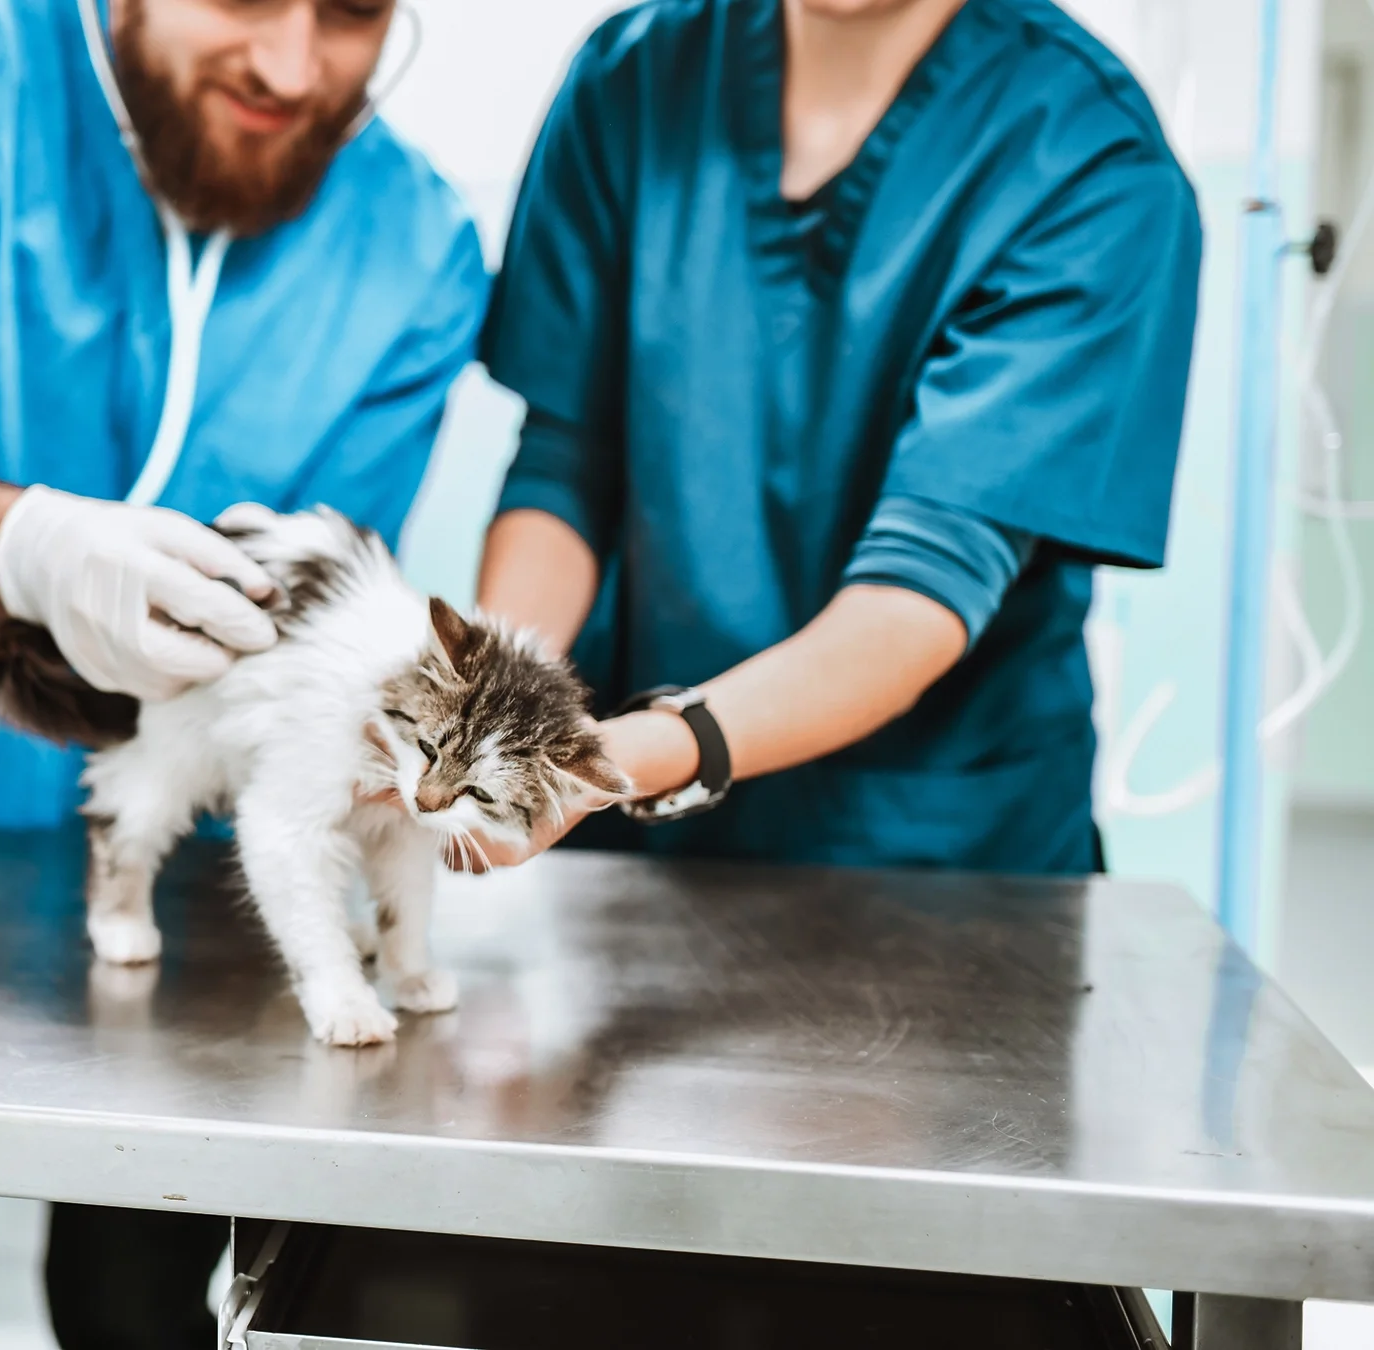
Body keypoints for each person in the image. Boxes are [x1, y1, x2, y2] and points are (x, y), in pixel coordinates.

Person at [0, 0, 488, 1344]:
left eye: (357, 12)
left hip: (185, 872)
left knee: (140, 1312)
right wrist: (29, 547)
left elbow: (310, 635)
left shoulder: (415, 249)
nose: (294, 67)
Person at [464, 0, 1201, 876]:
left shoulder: (1087, 156)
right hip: (645, 859)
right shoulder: (632, 78)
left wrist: (611, 762)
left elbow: (927, 578)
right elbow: (564, 464)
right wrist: (487, 708)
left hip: (940, 864)